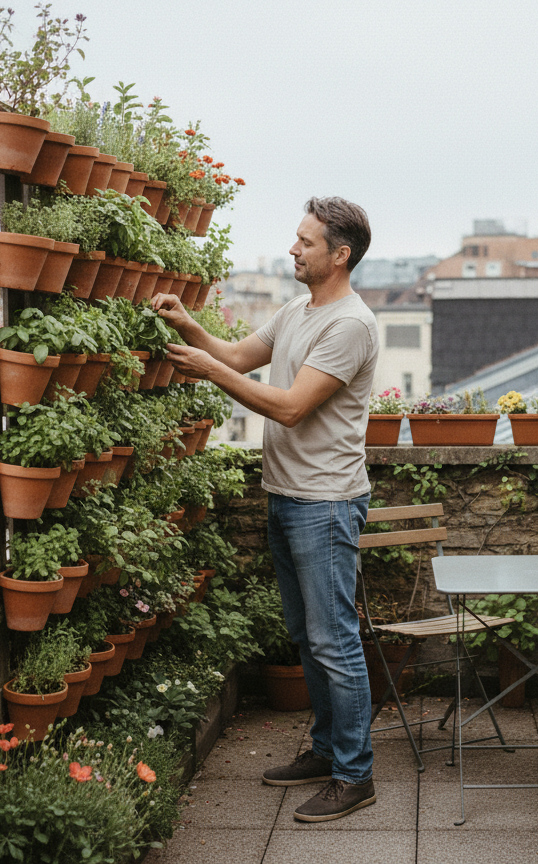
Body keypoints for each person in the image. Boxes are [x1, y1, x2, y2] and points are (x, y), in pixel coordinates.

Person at [154, 196, 379, 822]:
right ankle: (327, 751)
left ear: (340, 254)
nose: (293, 249)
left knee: (334, 642)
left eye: (305, 242)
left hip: (327, 504)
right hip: (289, 496)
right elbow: (234, 356)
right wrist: (189, 330)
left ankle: (354, 775)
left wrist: (204, 370)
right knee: (310, 639)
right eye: (295, 238)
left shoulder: (350, 325)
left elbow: (288, 407)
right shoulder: (297, 310)